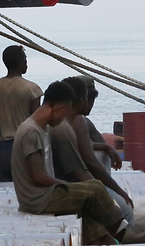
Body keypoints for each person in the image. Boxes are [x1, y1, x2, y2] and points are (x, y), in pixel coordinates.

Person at [12, 80, 126, 245]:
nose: (64, 119)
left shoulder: (41, 128)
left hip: (44, 194)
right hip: (38, 200)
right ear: (57, 107)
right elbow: (37, 176)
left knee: (86, 216)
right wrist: (64, 185)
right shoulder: (31, 132)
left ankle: (106, 243)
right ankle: (118, 223)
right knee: (94, 188)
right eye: (65, 113)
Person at [53, 76, 136, 230]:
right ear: (82, 100)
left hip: (64, 186)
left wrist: (105, 147)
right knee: (125, 212)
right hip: (73, 186)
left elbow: (84, 145)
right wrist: (116, 190)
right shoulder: (78, 122)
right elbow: (88, 162)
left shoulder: (61, 122)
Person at [0, 46, 40, 180]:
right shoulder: (32, 89)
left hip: (3, 148)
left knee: (2, 189)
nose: (27, 64)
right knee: (27, 188)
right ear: (21, 62)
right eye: (25, 60)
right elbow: (37, 124)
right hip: (24, 147)